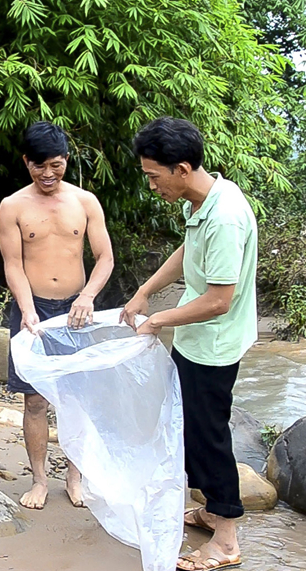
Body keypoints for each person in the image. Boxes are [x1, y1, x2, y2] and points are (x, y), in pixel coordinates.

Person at [122, 117, 256, 571]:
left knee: (208, 437)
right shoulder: (201, 201)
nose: (153, 186)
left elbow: (219, 300)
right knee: (190, 429)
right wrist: (144, 291)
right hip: (197, 338)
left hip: (214, 344)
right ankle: (213, 509)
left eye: (154, 177)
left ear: (181, 168)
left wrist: (157, 318)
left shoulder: (225, 216)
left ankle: (227, 539)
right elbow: (186, 251)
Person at [0, 121, 114, 510]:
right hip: (33, 308)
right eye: (39, 166)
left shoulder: (85, 202)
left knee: (78, 398)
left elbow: (105, 258)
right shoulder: (12, 206)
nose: (48, 175)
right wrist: (27, 309)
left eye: (57, 165)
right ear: (26, 162)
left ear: (66, 160)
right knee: (34, 400)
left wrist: (88, 296)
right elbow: (13, 265)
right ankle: (39, 479)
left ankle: (75, 476)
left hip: (77, 311)